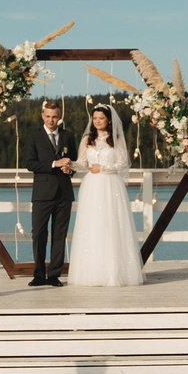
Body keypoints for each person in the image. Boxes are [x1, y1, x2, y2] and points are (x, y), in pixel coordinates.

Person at [67, 103, 146, 288]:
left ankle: (114, 272)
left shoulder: (116, 140)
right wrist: (70, 164)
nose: (97, 121)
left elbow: (123, 163)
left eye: (101, 118)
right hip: (92, 186)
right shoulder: (87, 139)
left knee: (111, 224)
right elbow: (82, 163)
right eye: (95, 118)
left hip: (110, 185)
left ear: (109, 120)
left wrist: (103, 168)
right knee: (92, 225)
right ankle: (92, 272)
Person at [23, 99, 79, 287]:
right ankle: (39, 274)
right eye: (47, 116)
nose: (51, 120)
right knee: (38, 233)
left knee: (59, 235)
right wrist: (55, 164)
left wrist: (69, 169)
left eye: (54, 117)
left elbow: (74, 162)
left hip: (64, 193)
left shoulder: (67, 136)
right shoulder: (34, 136)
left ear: (60, 116)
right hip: (42, 193)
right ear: (42, 115)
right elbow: (30, 163)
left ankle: (54, 274)